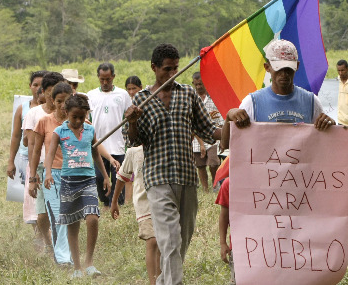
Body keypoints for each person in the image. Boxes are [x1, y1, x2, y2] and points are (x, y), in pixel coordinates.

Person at [219, 39, 335, 285]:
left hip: (298, 199)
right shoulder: (253, 102)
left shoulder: (311, 102)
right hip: (260, 199)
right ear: (267, 68)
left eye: (289, 69)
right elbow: (228, 145)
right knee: (255, 259)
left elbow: (325, 146)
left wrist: (329, 126)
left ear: (297, 67)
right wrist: (229, 117)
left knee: (294, 261)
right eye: (279, 68)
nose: (285, 74)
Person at [124, 43, 223, 285]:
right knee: (170, 240)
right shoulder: (142, 99)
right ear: (154, 68)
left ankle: (163, 282)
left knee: (182, 239)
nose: (172, 74)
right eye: (167, 69)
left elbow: (209, 130)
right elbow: (135, 139)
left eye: (175, 69)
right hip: (157, 179)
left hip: (187, 178)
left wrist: (235, 127)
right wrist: (133, 121)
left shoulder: (187, 93)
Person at [44, 94, 111, 279]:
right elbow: (49, 154)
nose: (79, 121)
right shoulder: (60, 132)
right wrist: (48, 173)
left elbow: (96, 154)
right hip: (68, 182)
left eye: (82, 117)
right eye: (75, 117)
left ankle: (89, 262)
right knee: (72, 225)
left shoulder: (89, 130)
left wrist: (105, 176)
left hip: (88, 180)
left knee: (92, 218)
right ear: (66, 113)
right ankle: (77, 268)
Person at [29, 82, 76, 266]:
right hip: (52, 176)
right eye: (59, 101)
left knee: (71, 217)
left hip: (74, 175)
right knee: (57, 216)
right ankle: (62, 259)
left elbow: (91, 143)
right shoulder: (44, 122)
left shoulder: (79, 121)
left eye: (67, 101)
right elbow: (35, 150)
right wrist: (33, 178)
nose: (64, 106)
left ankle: (72, 256)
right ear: (52, 101)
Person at [24, 72, 65, 256]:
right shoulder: (35, 114)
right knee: (42, 214)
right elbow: (31, 145)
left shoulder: (67, 114)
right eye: (50, 92)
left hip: (64, 168)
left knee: (62, 211)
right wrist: (32, 177)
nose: (53, 96)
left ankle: (61, 246)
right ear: (44, 92)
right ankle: (49, 243)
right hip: (41, 168)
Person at [111, 144, 160, 285]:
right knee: (152, 240)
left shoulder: (163, 144)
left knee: (163, 242)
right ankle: (153, 281)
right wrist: (114, 202)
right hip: (144, 202)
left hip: (163, 200)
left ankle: (162, 278)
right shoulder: (133, 152)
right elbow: (122, 176)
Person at [7, 71, 45, 247]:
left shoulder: (51, 109)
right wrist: (11, 161)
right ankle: (38, 234)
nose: (38, 88)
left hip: (45, 157)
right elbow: (16, 136)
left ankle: (47, 232)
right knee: (31, 196)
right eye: (35, 84)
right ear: (30, 86)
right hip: (25, 157)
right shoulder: (23, 108)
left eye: (42, 85)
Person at [87, 63, 132, 208]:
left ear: (113, 77)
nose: (105, 83)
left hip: (118, 145)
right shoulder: (91, 95)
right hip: (98, 146)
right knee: (99, 177)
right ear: (98, 78)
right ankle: (106, 202)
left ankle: (118, 204)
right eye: (102, 80)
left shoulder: (123, 95)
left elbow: (130, 116)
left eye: (108, 79)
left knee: (119, 177)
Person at [192, 71, 224, 192]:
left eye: (200, 84)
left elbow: (221, 119)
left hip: (213, 136)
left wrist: (222, 138)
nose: (199, 87)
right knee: (200, 165)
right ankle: (205, 189)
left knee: (214, 163)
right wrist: (200, 143)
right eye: (196, 85)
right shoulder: (192, 98)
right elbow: (193, 123)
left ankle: (215, 185)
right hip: (196, 138)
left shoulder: (214, 97)